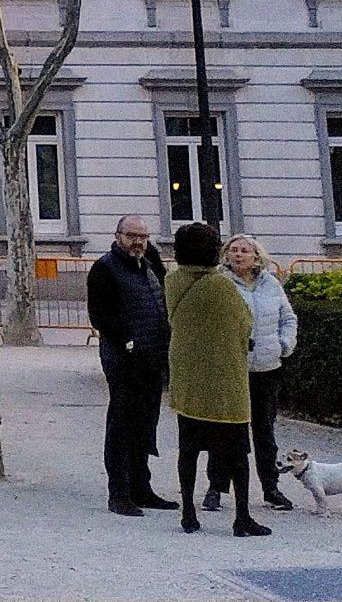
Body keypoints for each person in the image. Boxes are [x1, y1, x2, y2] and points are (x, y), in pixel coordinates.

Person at [165, 222, 269, 537]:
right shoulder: (220, 286)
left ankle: (188, 512)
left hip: (188, 378)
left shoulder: (173, 280)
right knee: (237, 454)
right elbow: (244, 322)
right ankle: (242, 517)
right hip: (224, 382)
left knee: (188, 449)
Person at [86, 213, 176, 516]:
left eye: (143, 236)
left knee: (146, 423)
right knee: (122, 424)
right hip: (123, 359)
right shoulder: (104, 268)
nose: (138, 241)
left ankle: (141, 487)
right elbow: (100, 316)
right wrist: (128, 343)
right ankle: (119, 492)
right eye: (131, 235)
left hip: (153, 356)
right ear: (118, 236)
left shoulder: (150, 264)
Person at [203, 234, 298, 513]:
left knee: (264, 431)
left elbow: (288, 317)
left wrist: (284, 344)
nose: (239, 255)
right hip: (233, 368)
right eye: (233, 250)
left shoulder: (271, 284)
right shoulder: (220, 283)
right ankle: (216, 488)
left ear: (256, 256)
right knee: (226, 430)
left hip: (267, 367)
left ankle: (271, 488)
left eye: (245, 251)